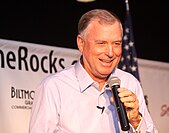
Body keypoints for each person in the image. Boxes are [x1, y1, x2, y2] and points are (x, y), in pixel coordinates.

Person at [29, 9, 158, 133]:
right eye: (101, 43)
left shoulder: (130, 83)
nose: (110, 52)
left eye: (116, 44)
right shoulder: (53, 88)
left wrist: (136, 121)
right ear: (81, 43)